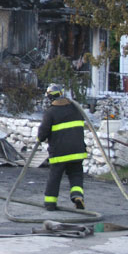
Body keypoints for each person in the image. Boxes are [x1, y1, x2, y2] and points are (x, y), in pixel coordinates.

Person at [37, 83, 88, 211]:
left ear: (49, 97)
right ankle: (77, 196)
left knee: (55, 176)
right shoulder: (75, 108)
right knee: (76, 174)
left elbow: (43, 132)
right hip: (77, 151)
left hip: (59, 152)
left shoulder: (51, 112)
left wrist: (39, 139)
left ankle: (50, 203)